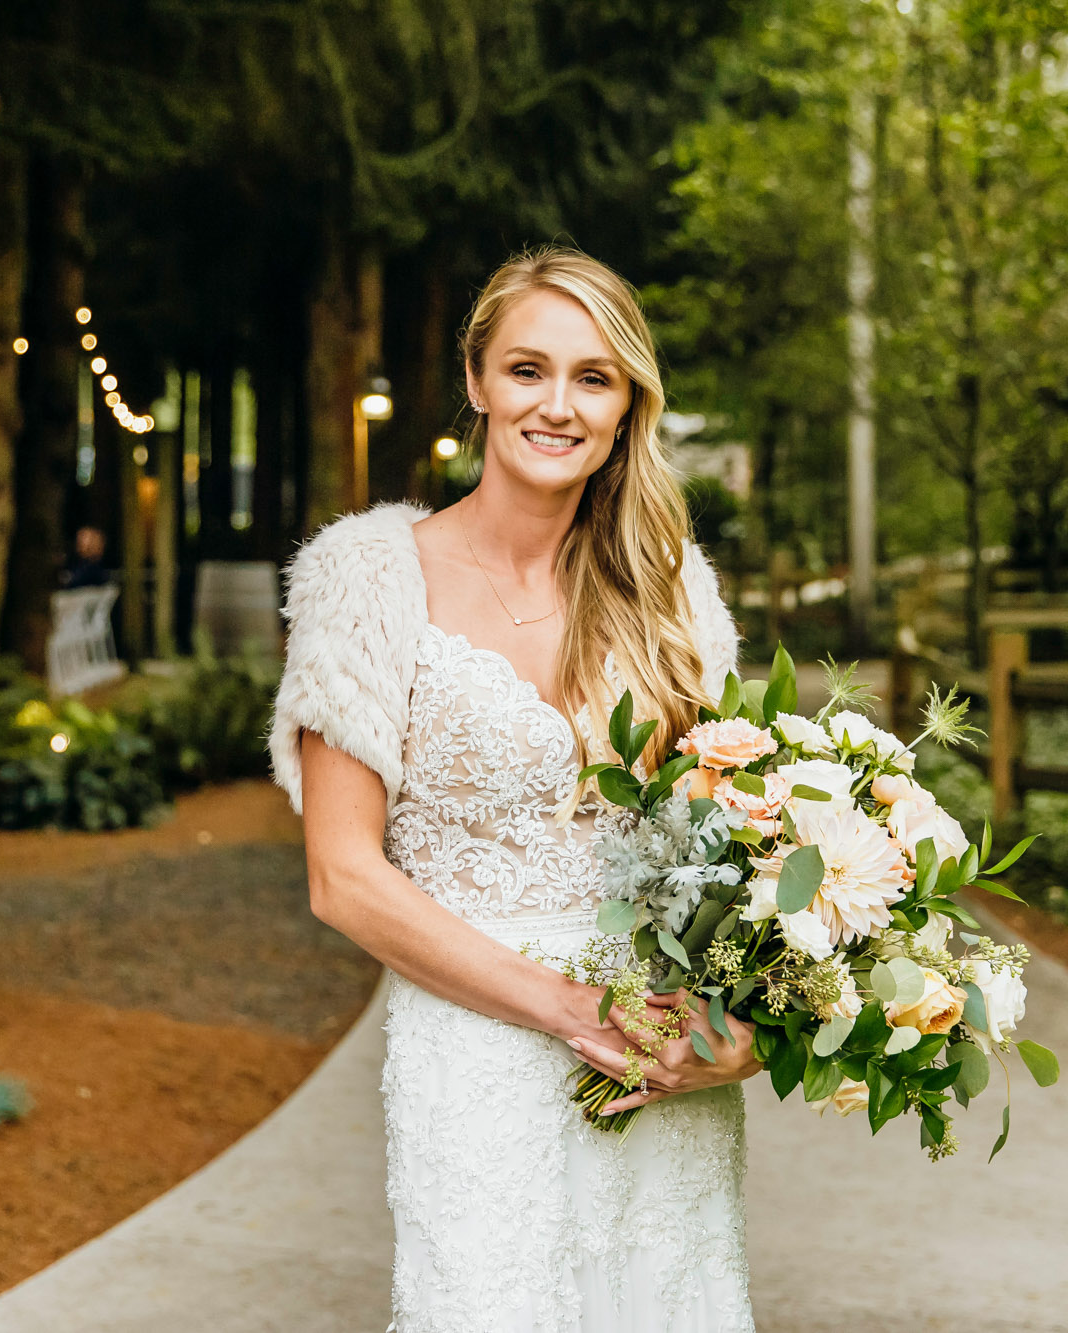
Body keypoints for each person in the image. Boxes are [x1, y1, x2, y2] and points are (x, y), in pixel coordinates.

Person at [269, 246, 759, 1331]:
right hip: (478, 1050)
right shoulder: (366, 576)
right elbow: (341, 877)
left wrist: (741, 1031)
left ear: (628, 400)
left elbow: (738, 842)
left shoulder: (671, 590)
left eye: (592, 377)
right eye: (528, 369)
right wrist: (567, 1008)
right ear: (479, 380)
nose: (557, 403)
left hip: (661, 1056)